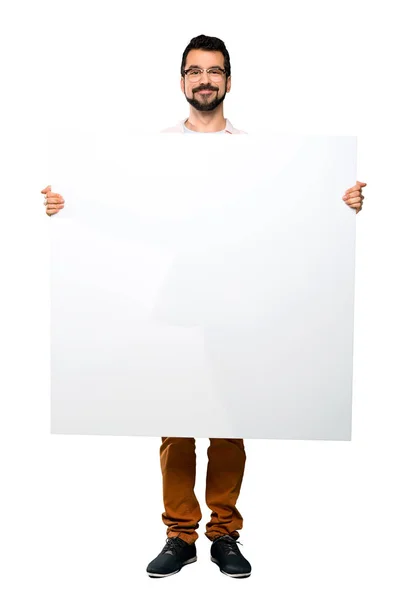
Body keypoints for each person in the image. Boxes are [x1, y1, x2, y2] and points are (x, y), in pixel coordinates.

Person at [40, 34, 366, 579]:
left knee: (231, 416)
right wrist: (69, 207)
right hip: (177, 297)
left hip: (238, 297)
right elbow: (129, 213)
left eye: (214, 71)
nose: (205, 80)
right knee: (174, 416)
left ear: (229, 81)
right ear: (183, 81)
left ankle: (223, 532)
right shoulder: (155, 151)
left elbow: (284, 219)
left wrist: (339, 203)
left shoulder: (259, 154)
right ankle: (179, 534)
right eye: (195, 71)